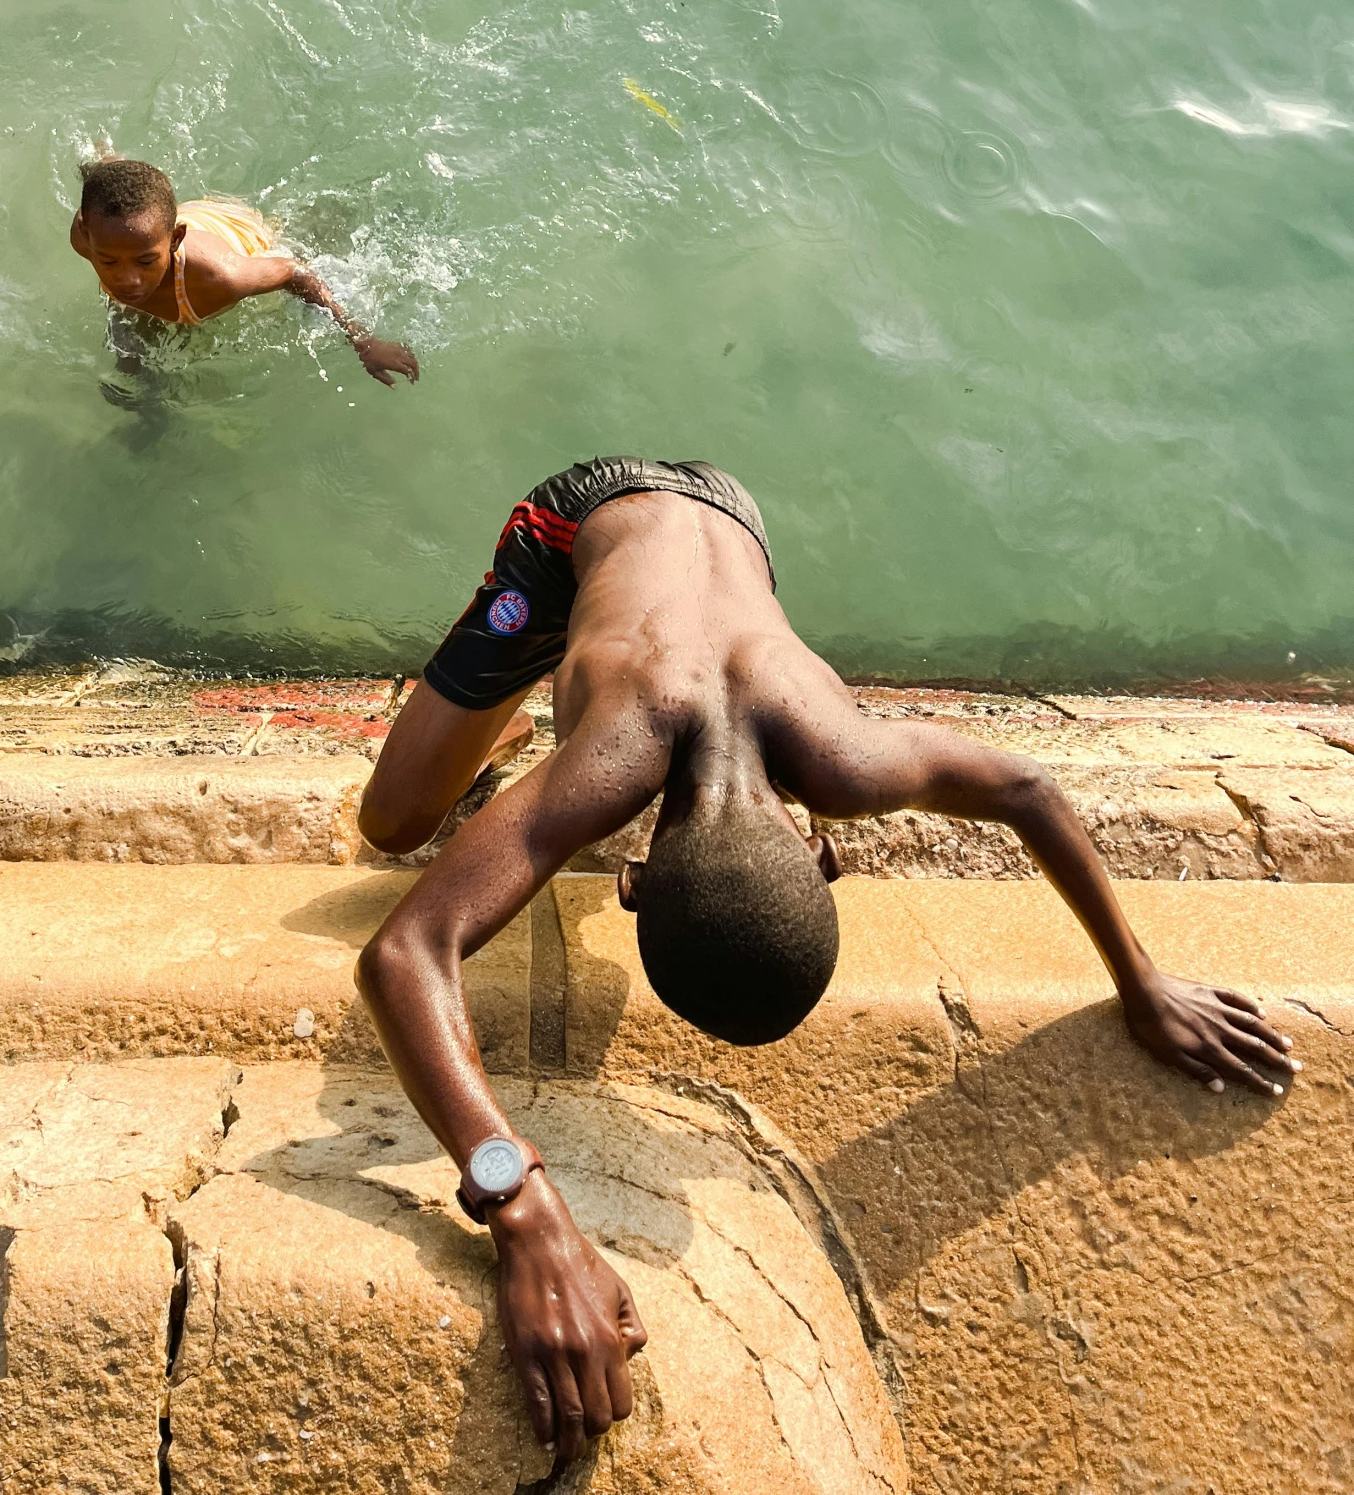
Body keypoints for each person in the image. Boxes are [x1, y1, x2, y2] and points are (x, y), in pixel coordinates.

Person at [354, 455, 1300, 1466]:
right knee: (394, 820)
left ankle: (553, 666)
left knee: (480, 783)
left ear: (818, 854)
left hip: (731, 520)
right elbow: (404, 953)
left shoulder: (843, 756)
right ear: (629, 878)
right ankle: (541, 650)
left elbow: (1029, 784)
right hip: (576, 522)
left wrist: (1141, 981)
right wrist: (524, 1209)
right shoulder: (647, 747)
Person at [69, 156, 419, 392]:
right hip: (145, 227)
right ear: (87, 236)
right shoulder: (90, 238)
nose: (127, 279)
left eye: (145, 263)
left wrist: (362, 341)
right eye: (109, 263)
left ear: (176, 240)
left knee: (311, 234)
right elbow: (117, 235)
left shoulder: (221, 278)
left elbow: (294, 273)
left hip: (236, 231)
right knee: (129, 371)